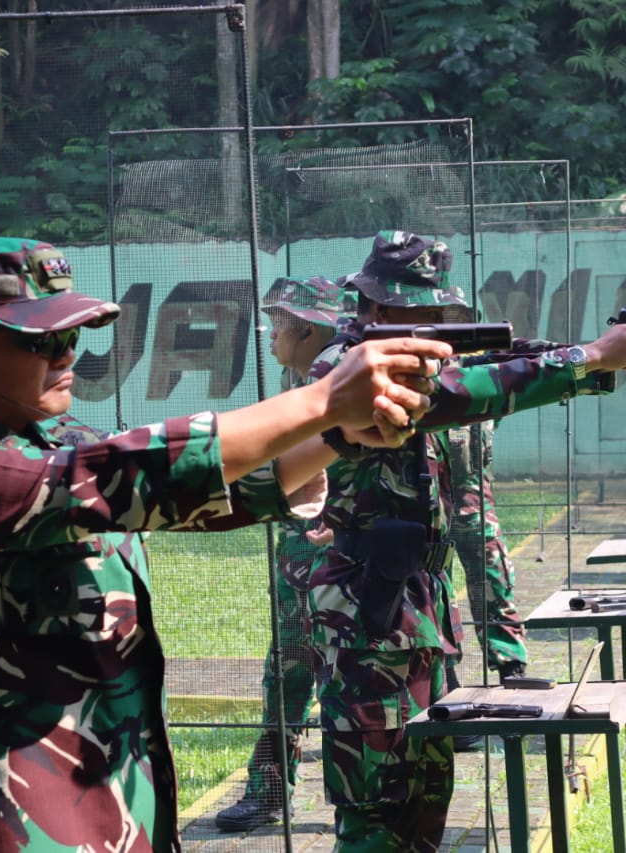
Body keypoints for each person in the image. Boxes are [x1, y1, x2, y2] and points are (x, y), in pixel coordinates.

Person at [0, 235, 451, 852]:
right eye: (41, 341)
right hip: (15, 830)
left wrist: (339, 435)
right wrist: (322, 400)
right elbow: (119, 475)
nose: (67, 356)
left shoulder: (56, 446)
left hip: (122, 809)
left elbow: (210, 489)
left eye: (72, 336)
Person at [305, 229, 626, 851]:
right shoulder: (343, 371)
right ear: (371, 309)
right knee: (373, 811)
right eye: (406, 314)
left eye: (432, 315)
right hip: (363, 622)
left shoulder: (420, 366)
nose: (424, 328)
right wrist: (588, 357)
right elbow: (462, 394)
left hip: (422, 613)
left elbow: (488, 379)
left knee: (428, 797)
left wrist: (604, 363)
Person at [216, 276, 346, 832]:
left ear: (308, 329)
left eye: (281, 323)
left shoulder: (335, 378)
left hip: (336, 561)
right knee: (291, 671)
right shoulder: (303, 381)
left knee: (340, 677)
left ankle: (357, 801)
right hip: (302, 558)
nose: (271, 334)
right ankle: (270, 791)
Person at [446, 419, 528, 682]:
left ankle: (510, 666)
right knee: (429, 583)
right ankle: (441, 668)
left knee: (493, 578)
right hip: (421, 493)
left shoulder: (480, 379)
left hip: (471, 492)